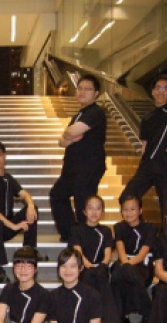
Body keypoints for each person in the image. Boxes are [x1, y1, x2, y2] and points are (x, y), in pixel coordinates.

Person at [119, 74, 167, 225]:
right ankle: (142, 232)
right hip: (147, 166)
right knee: (127, 197)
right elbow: (145, 144)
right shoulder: (147, 118)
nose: (161, 91)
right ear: (152, 91)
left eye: (165, 88)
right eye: (158, 88)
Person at [49, 74, 106, 242]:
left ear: (96, 93)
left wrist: (70, 134)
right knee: (57, 195)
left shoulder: (96, 112)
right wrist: (69, 135)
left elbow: (70, 133)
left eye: (87, 89)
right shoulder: (79, 115)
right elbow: (62, 141)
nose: (82, 92)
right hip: (72, 167)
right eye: (79, 88)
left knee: (83, 203)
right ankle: (71, 234)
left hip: (88, 167)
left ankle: (84, 241)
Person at [0, 139, 48, 284]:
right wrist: (13, 226)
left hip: (8, 225)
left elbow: (24, 194)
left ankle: (30, 250)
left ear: (5, 156)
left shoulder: (8, 178)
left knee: (33, 209)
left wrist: (30, 204)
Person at [68, 195, 119, 323]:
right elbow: (78, 252)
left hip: (100, 268)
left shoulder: (106, 231)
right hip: (83, 267)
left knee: (101, 277)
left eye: (98, 208)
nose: (94, 212)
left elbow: (108, 253)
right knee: (89, 276)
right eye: (90, 208)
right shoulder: (76, 230)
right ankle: (84, 320)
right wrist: (88, 265)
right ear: (84, 211)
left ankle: (106, 321)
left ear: (102, 212)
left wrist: (103, 264)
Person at [111, 195, 156, 323]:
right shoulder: (119, 227)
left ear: (140, 210)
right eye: (125, 209)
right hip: (123, 262)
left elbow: (143, 253)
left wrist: (127, 266)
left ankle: (121, 317)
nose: (128, 213)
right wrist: (126, 264)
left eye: (132, 209)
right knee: (119, 273)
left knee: (122, 273)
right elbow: (120, 248)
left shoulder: (150, 228)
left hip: (142, 266)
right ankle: (147, 315)